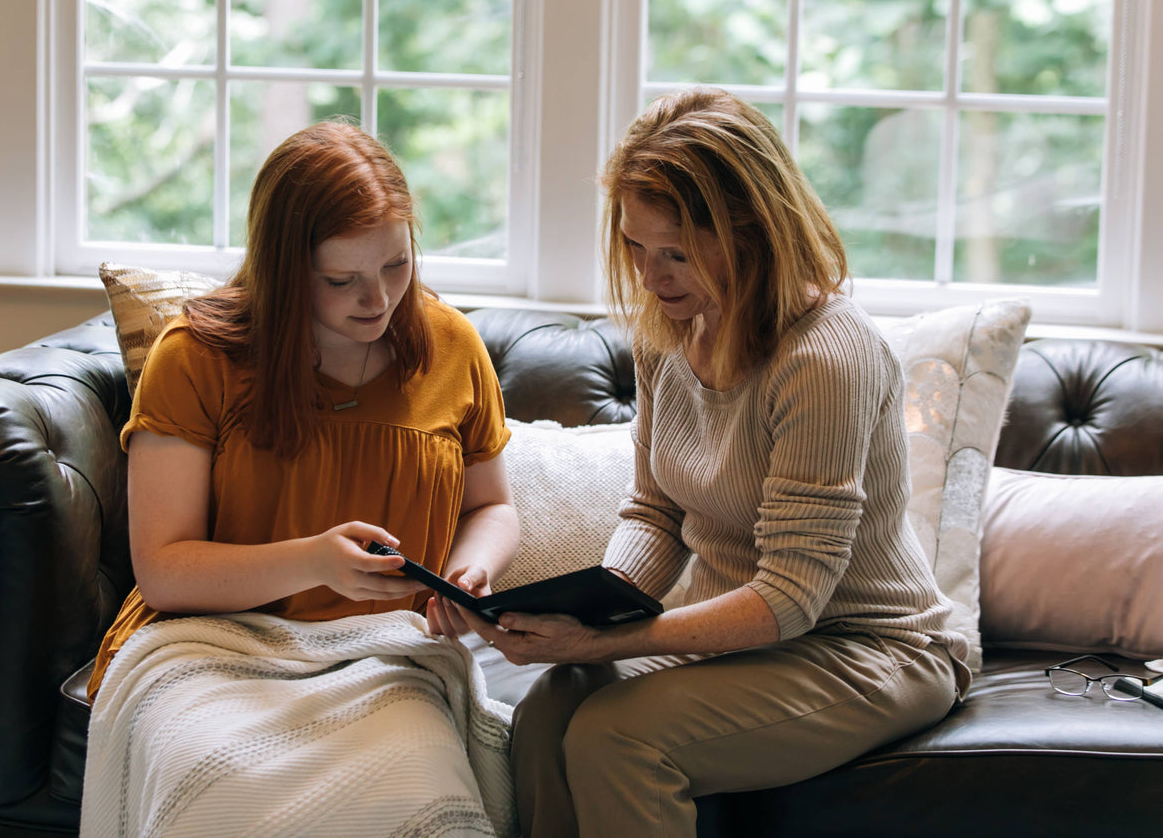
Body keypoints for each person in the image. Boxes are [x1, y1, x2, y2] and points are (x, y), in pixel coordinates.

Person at [457, 87, 970, 838]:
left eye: (675, 253)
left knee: (617, 735)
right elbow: (655, 511)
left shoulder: (824, 356)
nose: (651, 276)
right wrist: (594, 603)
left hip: (866, 646)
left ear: (752, 232)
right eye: (635, 248)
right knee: (549, 709)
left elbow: (792, 597)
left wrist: (613, 638)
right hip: (740, 636)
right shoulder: (668, 329)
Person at [80, 121, 520, 837]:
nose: (376, 299)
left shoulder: (451, 344)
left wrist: (470, 569)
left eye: (396, 266)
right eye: (340, 279)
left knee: (420, 796)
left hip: (386, 649)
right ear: (284, 270)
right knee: (223, 788)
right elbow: (163, 570)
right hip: (209, 643)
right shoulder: (193, 357)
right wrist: (315, 561)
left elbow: (493, 504)